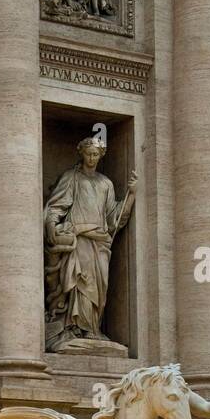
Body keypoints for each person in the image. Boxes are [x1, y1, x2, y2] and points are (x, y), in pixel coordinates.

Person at [43, 134, 137, 351]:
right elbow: (56, 207)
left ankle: (93, 328)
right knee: (79, 283)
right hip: (79, 240)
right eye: (89, 154)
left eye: (96, 154)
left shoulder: (106, 183)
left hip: (100, 242)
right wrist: (52, 229)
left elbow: (114, 216)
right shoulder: (71, 177)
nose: (92, 158)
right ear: (82, 154)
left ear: (100, 156)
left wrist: (131, 195)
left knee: (98, 288)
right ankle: (74, 328)